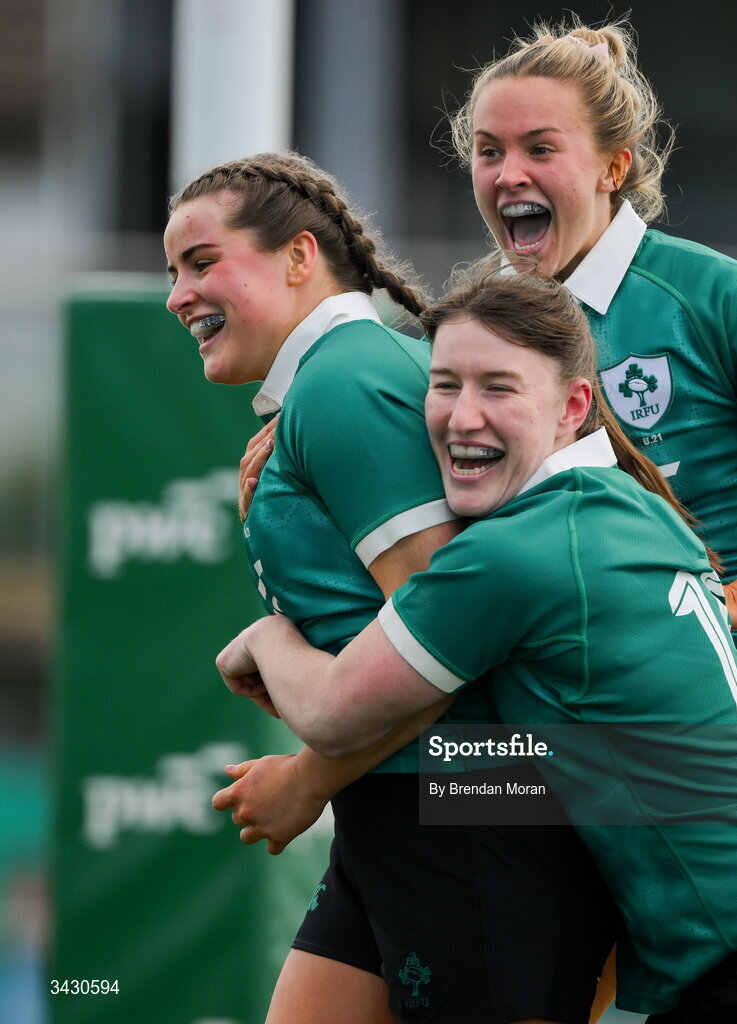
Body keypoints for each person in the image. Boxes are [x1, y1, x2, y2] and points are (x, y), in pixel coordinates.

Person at [217, 269, 737, 1021]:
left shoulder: (522, 554)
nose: (463, 417)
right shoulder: (629, 503)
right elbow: (562, 766)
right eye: (443, 386)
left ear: (572, 407)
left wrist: (269, 644)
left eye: (497, 388)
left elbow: (335, 712)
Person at [443, 16, 737, 877]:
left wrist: (712, 615)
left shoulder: (723, 299)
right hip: (553, 712)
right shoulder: (461, 330)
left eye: (539, 148)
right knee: (473, 954)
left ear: (613, 167)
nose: (507, 173)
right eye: (486, 150)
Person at [165, 152, 619, 1024]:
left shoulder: (344, 377)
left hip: (461, 802)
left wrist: (306, 770)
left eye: (201, 262)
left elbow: (445, 628)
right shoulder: (336, 382)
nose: (178, 295)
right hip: (415, 797)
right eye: (173, 271)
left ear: (300, 257)